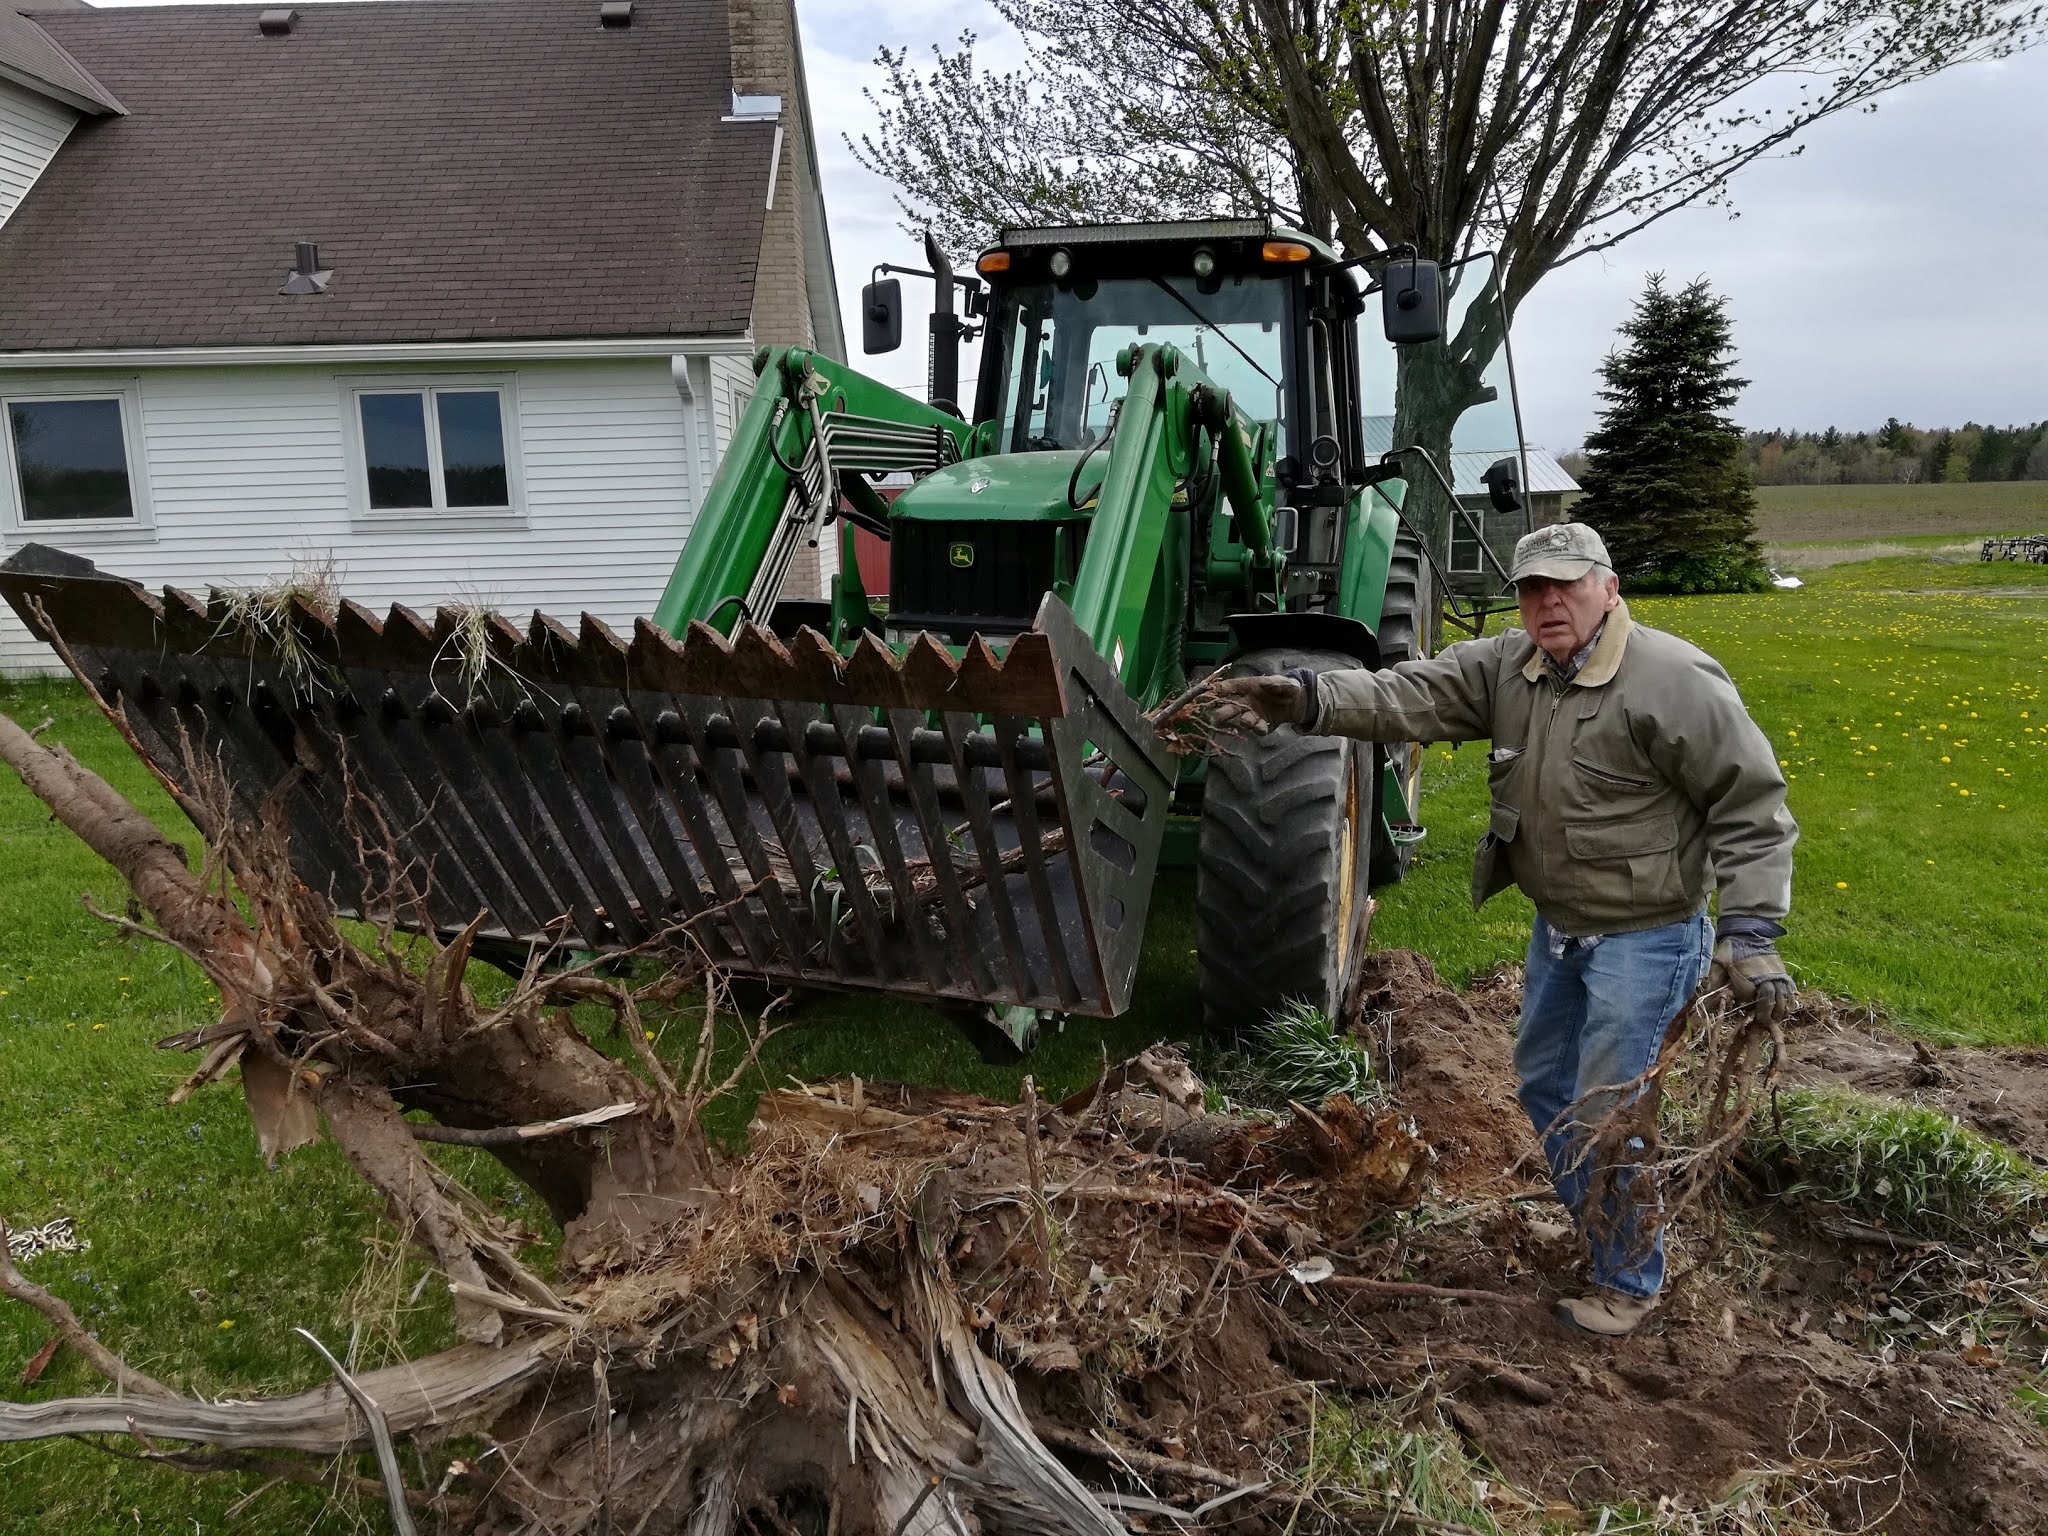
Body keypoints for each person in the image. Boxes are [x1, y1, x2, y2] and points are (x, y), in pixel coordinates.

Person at [1208, 522, 1798, 1337]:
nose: (1548, 602)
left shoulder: (1671, 680)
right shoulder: (1509, 668)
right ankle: (1600, 1231)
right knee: (1546, 1084)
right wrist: (1308, 698)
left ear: (1609, 586)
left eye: (1566, 584)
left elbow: (1752, 804)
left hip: (1646, 934)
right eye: (1531, 588)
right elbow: (1405, 695)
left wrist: (1752, 932)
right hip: (1561, 928)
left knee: (1607, 1111)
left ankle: (1628, 1278)